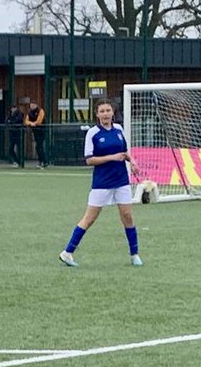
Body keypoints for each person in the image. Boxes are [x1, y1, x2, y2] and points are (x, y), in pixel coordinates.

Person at [58, 100, 142, 268]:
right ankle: (67, 253)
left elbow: (124, 152)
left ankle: (134, 254)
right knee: (89, 219)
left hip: (121, 180)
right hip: (102, 182)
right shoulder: (93, 133)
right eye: (102, 111)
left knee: (127, 216)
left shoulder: (118, 129)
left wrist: (132, 161)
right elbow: (89, 160)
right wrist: (111, 157)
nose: (105, 114)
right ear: (97, 114)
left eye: (108, 110)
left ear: (112, 112)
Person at [25, 101, 47, 168]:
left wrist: (35, 123)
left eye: (33, 105)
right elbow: (26, 121)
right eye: (31, 105)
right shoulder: (30, 112)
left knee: (40, 146)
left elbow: (39, 121)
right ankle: (41, 161)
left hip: (41, 131)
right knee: (38, 147)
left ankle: (44, 161)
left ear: (36, 105)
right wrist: (31, 123)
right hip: (35, 131)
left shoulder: (41, 110)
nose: (31, 106)